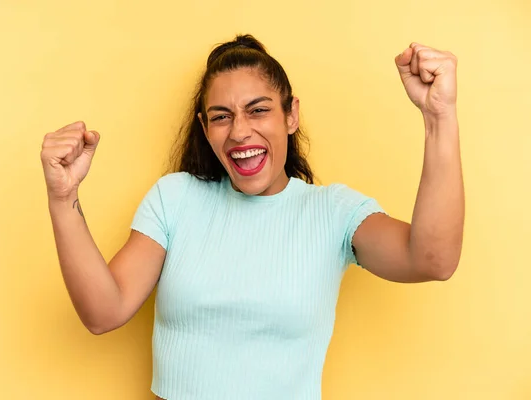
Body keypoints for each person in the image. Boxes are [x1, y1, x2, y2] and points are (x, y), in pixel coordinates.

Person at [40, 34, 464, 400]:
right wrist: (63, 198)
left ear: (291, 114)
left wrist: (438, 116)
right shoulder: (175, 198)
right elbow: (103, 311)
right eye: (222, 117)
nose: (239, 131)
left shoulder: (333, 212)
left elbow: (432, 259)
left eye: (258, 110)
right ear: (206, 129)